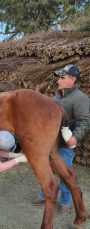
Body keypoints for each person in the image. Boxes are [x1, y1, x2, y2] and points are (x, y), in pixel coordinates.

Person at [33, 64, 90, 214]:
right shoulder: (55, 97)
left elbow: (84, 121)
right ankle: (44, 195)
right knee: (47, 170)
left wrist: (75, 137)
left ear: (73, 79)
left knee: (65, 172)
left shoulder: (81, 99)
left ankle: (66, 202)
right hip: (49, 143)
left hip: (64, 145)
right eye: (59, 78)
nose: (58, 81)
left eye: (62, 78)